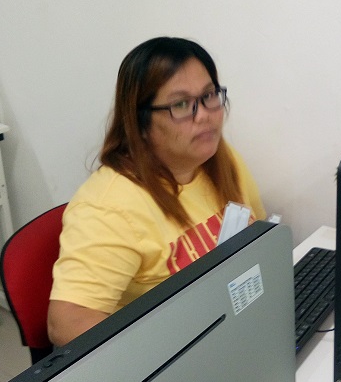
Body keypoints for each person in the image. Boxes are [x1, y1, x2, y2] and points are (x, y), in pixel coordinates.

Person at [47, 37, 266, 346]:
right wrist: (168, 348)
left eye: (209, 95)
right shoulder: (109, 206)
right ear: (141, 122)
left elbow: (258, 241)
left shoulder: (219, 159)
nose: (204, 114)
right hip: (182, 348)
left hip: (235, 321)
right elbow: (66, 324)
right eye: (181, 105)